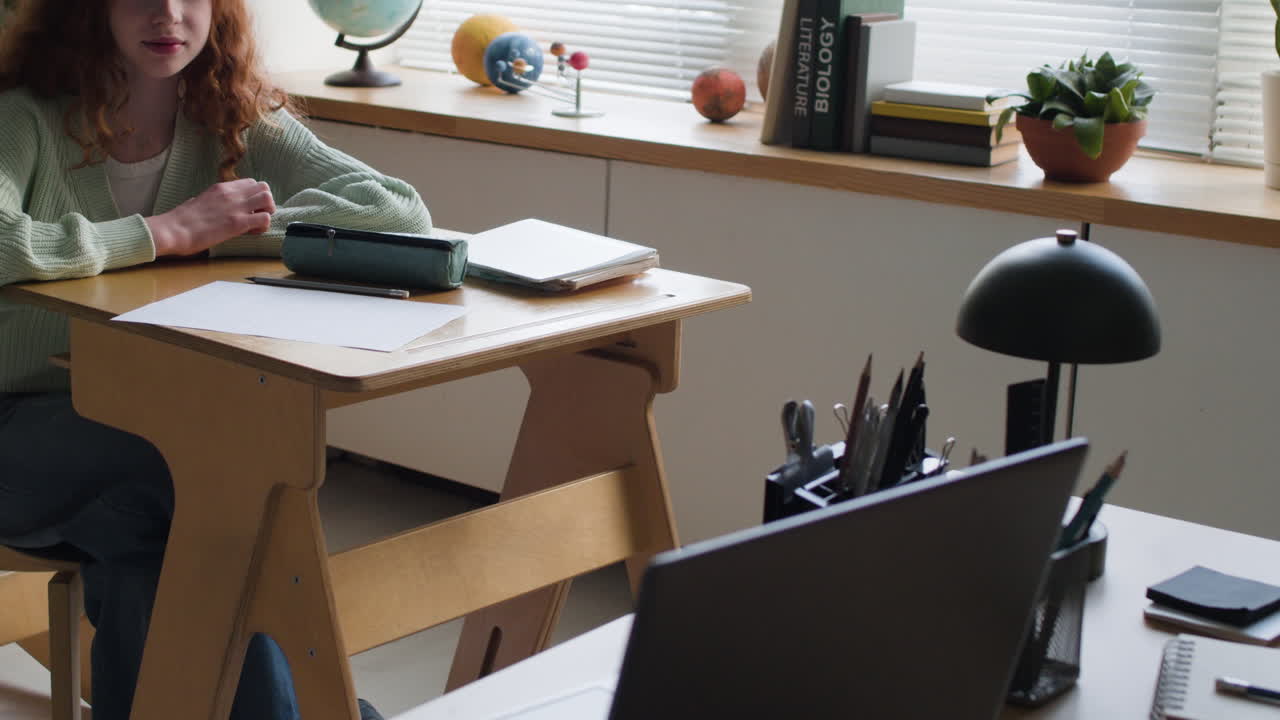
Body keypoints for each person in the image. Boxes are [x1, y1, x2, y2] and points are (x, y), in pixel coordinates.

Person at [0, 1, 432, 718]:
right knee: (206, 478)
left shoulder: (229, 114)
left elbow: (394, 211)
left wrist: (217, 236)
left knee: (157, 555)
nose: (167, 13)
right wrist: (160, 231)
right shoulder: (25, 118)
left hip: (126, 423)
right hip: (16, 422)